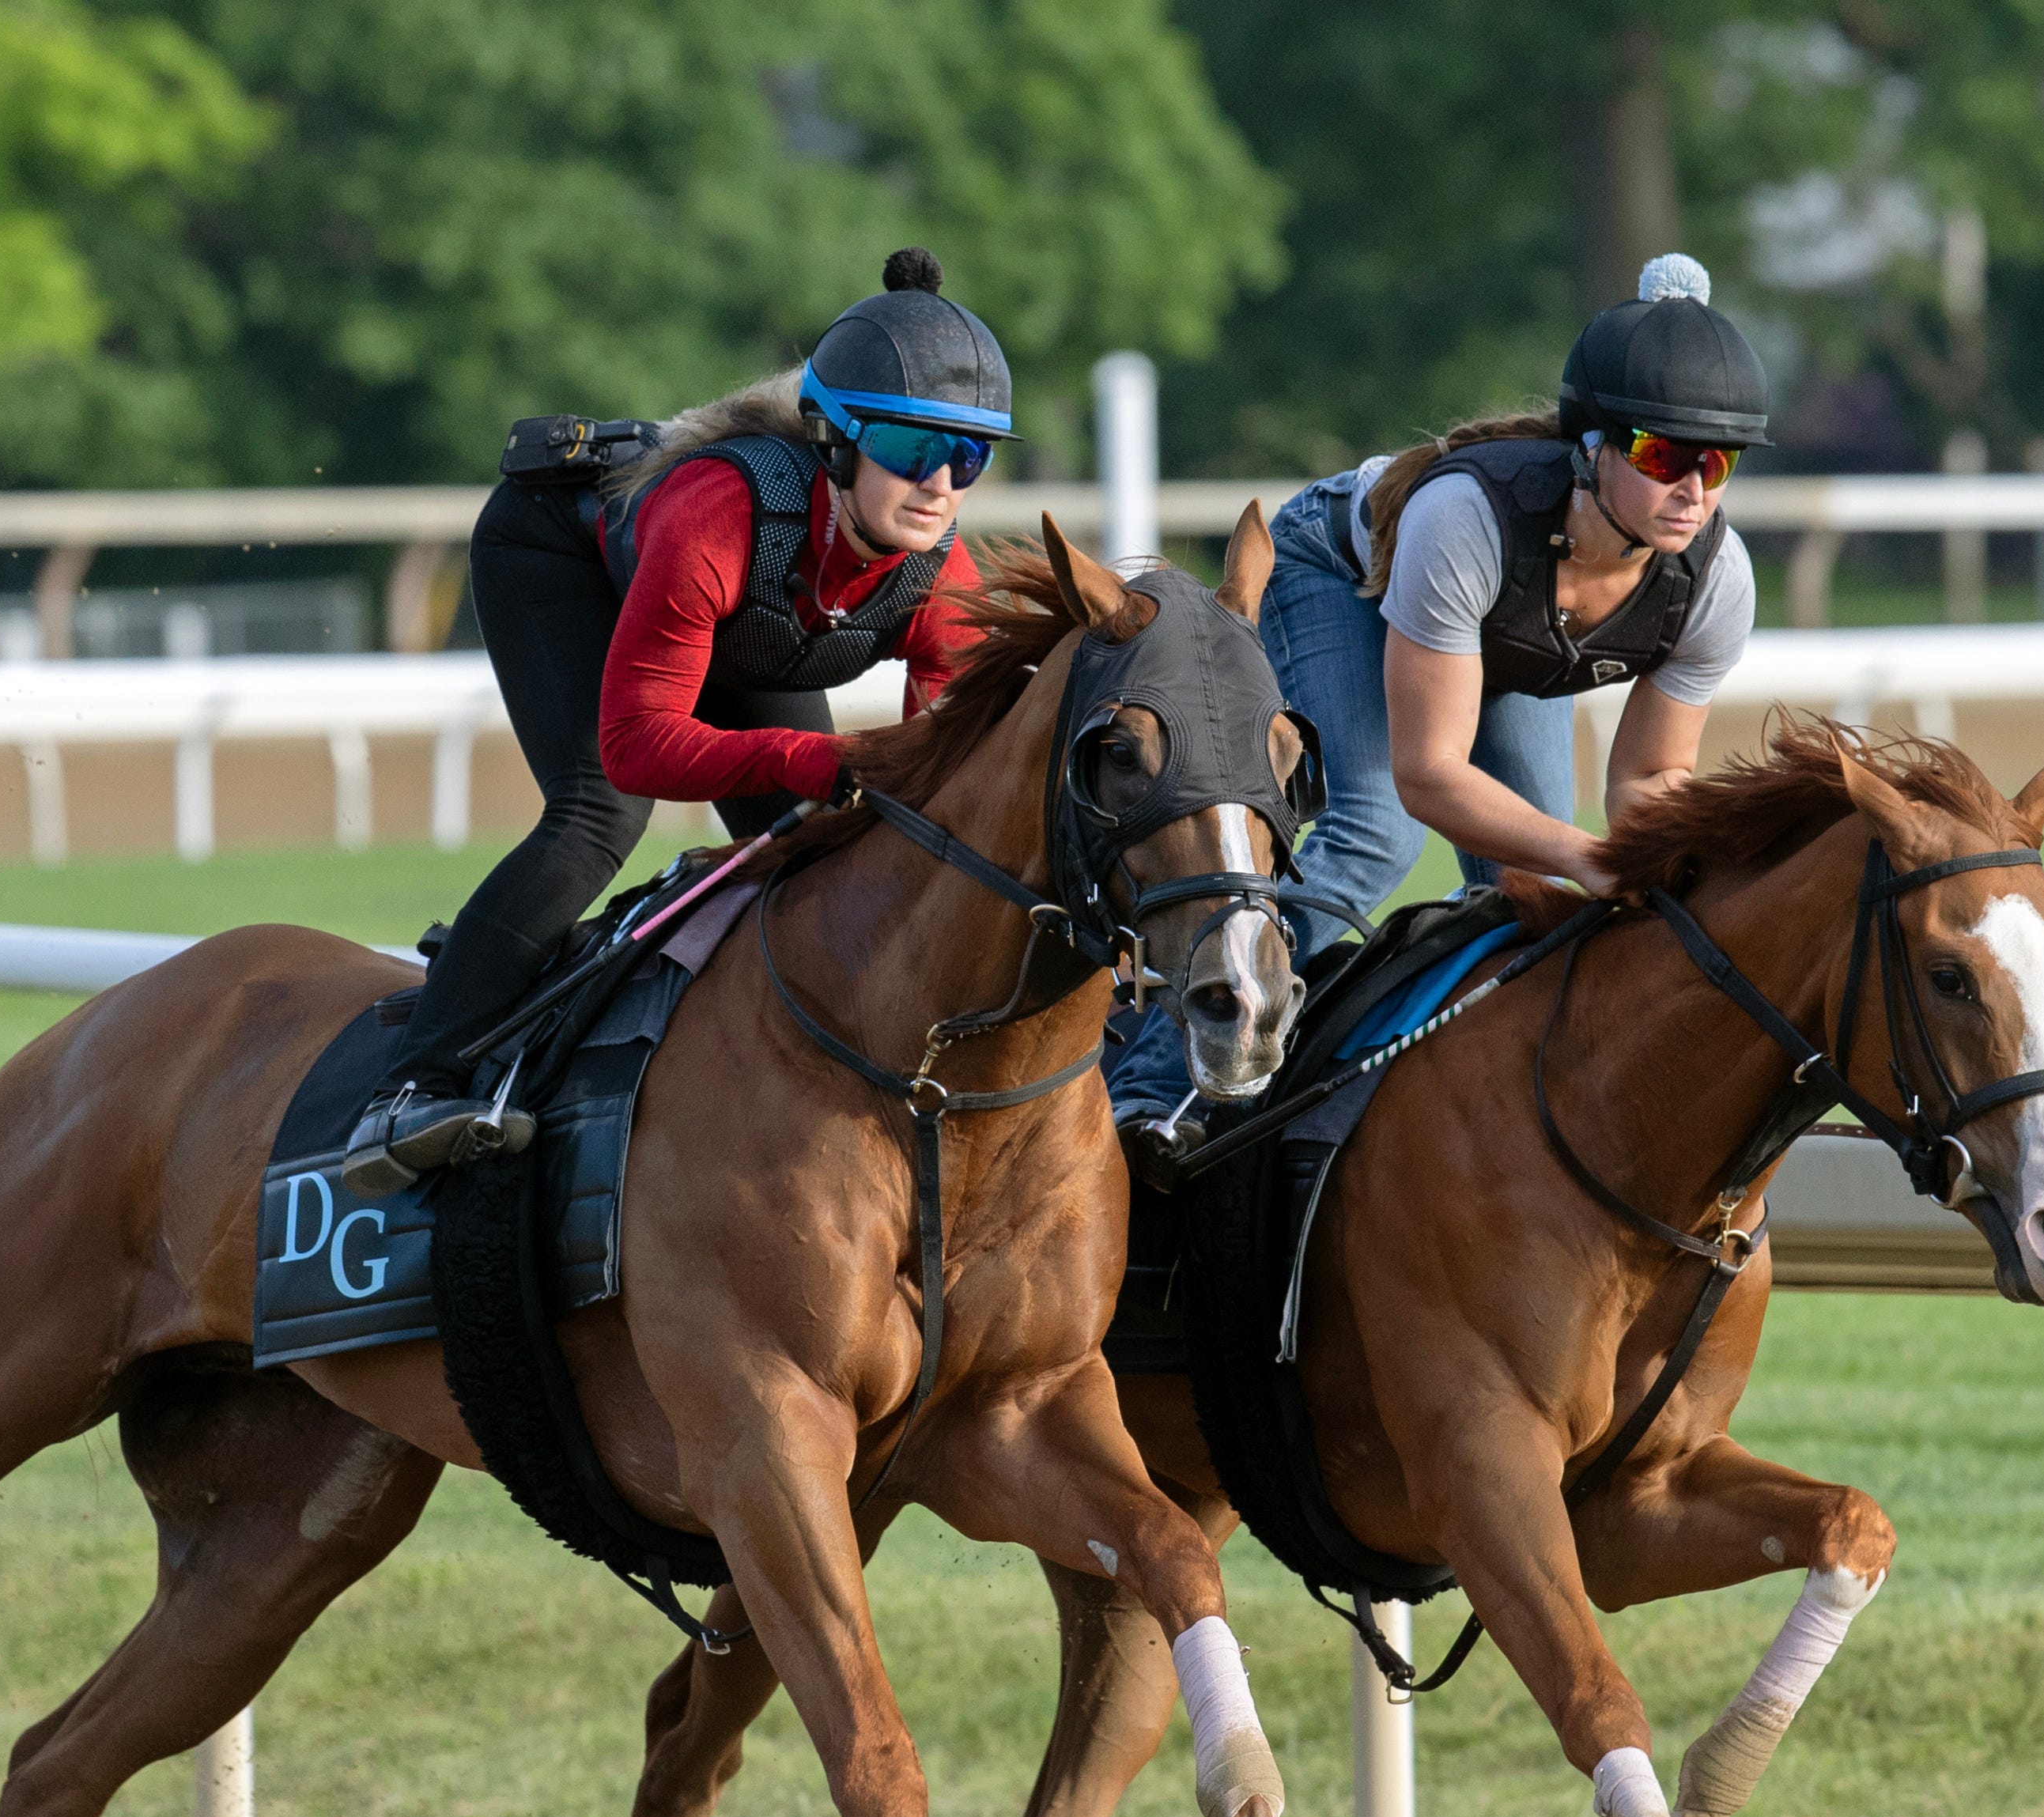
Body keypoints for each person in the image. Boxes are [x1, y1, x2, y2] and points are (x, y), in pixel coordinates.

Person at [340, 249, 1014, 1196]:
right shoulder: (716, 513)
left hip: (754, 621)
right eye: (911, 450)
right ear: (834, 439)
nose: (941, 484)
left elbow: (944, 792)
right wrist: (825, 759)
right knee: (599, 814)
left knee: (825, 848)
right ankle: (413, 1086)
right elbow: (637, 746)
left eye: (970, 456)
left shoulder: (941, 572)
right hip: (562, 560)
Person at [1109, 252, 1773, 1173]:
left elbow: (1651, 779)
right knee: (1372, 831)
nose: (1693, 490)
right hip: (1338, 576)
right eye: (1664, 456)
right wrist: (1587, 855)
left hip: (1491, 648)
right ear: (1591, 448)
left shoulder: (1717, 580)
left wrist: (1674, 873)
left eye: (1718, 462)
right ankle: (1147, 1079)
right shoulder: (1463, 518)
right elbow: (1428, 775)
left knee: (1527, 889)